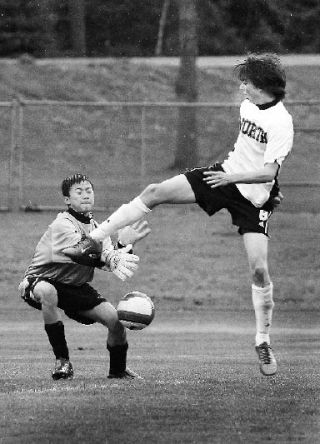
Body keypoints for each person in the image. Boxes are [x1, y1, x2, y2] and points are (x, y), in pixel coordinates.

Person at [63, 54, 294, 377]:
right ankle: (93, 241)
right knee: (154, 192)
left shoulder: (282, 122)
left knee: (259, 270)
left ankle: (263, 340)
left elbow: (270, 169)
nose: (242, 87)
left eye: (248, 82)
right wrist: (230, 177)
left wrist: (265, 188)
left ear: (264, 87)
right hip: (223, 176)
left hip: (251, 199)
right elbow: (251, 154)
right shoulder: (247, 107)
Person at [18, 173, 150, 380]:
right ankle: (62, 362)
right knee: (47, 291)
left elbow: (109, 264)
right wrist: (114, 252)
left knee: (115, 321)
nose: (85, 195)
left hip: (75, 287)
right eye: (78, 192)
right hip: (41, 280)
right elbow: (82, 254)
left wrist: (124, 246)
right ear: (67, 200)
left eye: (89, 190)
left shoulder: (99, 229)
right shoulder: (62, 224)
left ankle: (118, 371)